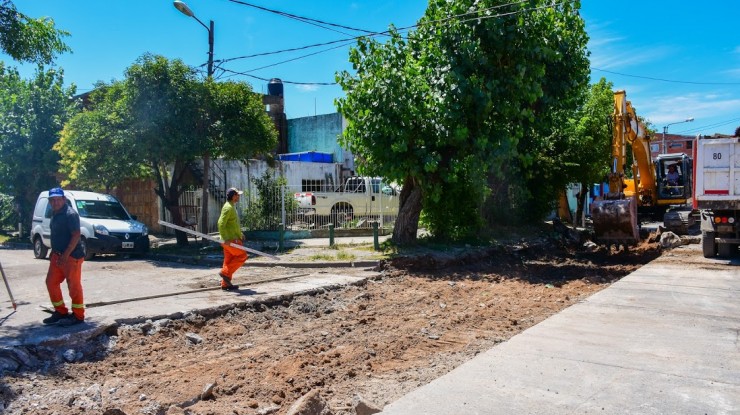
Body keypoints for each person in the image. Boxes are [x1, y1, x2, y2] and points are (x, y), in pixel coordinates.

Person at [43, 187, 86, 326]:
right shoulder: (54, 213)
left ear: (64, 199)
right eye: (53, 200)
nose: (55, 202)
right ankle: (60, 311)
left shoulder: (70, 214)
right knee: (51, 282)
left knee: (74, 286)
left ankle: (78, 316)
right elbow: (56, 234)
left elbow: (76, 235)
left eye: (58, 199)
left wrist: (66, 254)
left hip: (72, 256)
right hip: (57, 255)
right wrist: (53, 251)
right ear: (50, 201)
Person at [217, 187, 247, 290]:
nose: (238, 197)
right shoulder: (228, 207)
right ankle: (224, 273)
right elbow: (221, 223)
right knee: (242, 256)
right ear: (233, 196)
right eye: (237, 195)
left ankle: (225, 284)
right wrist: (226, 239)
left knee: (228, 261)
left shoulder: (231, 206)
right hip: (230, 240)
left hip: (231, 239)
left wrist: (240, 234)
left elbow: (233, 224)